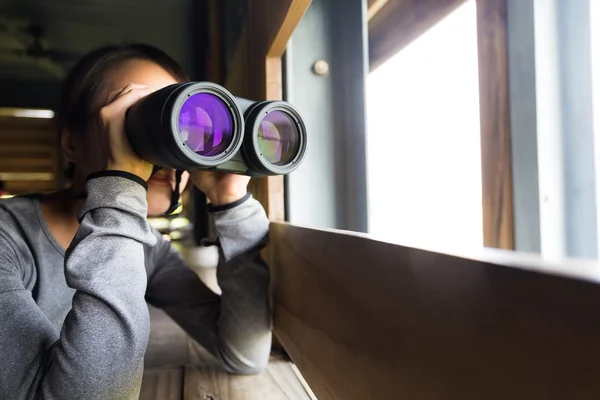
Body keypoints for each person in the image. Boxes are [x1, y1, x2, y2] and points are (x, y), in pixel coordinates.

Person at [0, 44, 272, 399]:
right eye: (135, 116)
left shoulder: (146, 252)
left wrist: (230, 202)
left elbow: (244, 353)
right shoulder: (9, 240)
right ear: (72, 143)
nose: (162, 145)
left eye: (181, 121)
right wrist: (118, 186)